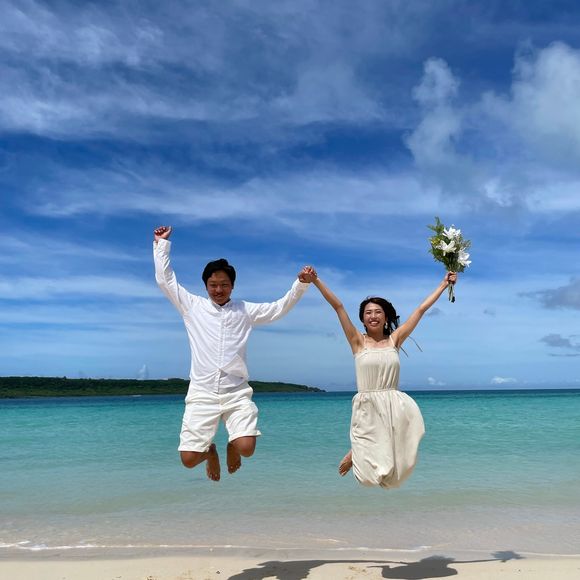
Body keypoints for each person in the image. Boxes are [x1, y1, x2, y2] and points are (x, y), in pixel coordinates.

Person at [153, 226, 314, 482]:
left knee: (246, 448)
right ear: (205, 285)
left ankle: (232, 445)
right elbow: (165, 280)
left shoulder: (244, 310)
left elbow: (279, 308)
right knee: (189, 460)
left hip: (236, 392)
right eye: (213, 285)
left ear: (232, 286)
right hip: (202, 393)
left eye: (224, 285)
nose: (218, 290)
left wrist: (301, 284)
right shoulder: (192, 306)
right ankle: (210, 451)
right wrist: (161, 244)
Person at [307, 267, 457, 489]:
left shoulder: (395, 340)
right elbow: (338, 306)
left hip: (393, 404)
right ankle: (356, 451)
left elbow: (421, 309)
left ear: (386, 317)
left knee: (394, 468)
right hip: (366, 405)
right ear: (362, 319)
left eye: (378, 312)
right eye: (368, 313)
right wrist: (315, 280)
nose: (373, 316)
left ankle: (358, 450)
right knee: (368, 477)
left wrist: (444, 284)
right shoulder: (357, 341)